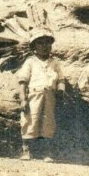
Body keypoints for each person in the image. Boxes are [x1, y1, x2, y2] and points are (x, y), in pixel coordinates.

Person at [17, 28, 66, 161]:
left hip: (50, 96)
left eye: (48, 43)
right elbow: (23, 81)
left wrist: (61, 90)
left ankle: (47, 152)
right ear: (34, 47)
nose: (45, 46)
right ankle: (26, 150)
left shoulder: (55, 62)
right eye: (41, 43)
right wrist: (23, 99)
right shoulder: (30, 62)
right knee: (30, 120)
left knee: (48, 122)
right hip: (34, 95)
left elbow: (61, 78)